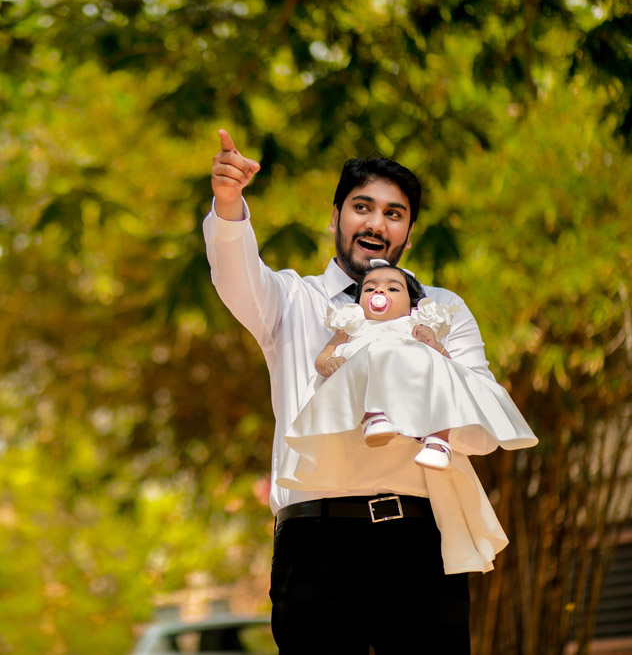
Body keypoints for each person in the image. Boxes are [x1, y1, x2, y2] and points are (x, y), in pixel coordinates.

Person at [203, 129, 531, 654]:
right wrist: (227, 205)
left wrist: (427, 364)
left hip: (422, 545)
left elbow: (483, 434)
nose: (376, 223)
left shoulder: (443, 311)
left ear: (409, 232)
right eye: (362, 207)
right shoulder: (294, 300)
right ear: (335, 218)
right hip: (315, 546)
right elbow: (233, 274)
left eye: (394, 213)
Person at [286, 260, 536, 477]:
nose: (380, 291)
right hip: (368, 380)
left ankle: (438, 440)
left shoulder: (414, 327)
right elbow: (323, 356)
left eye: (393, 288)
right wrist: (329, 363)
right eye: (370, 288)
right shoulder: (353, 328)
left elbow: (451, 368)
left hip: (412, 385)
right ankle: (373, 419)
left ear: (410, 305)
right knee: (363, 366)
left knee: (440, 375)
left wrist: (433, 344)